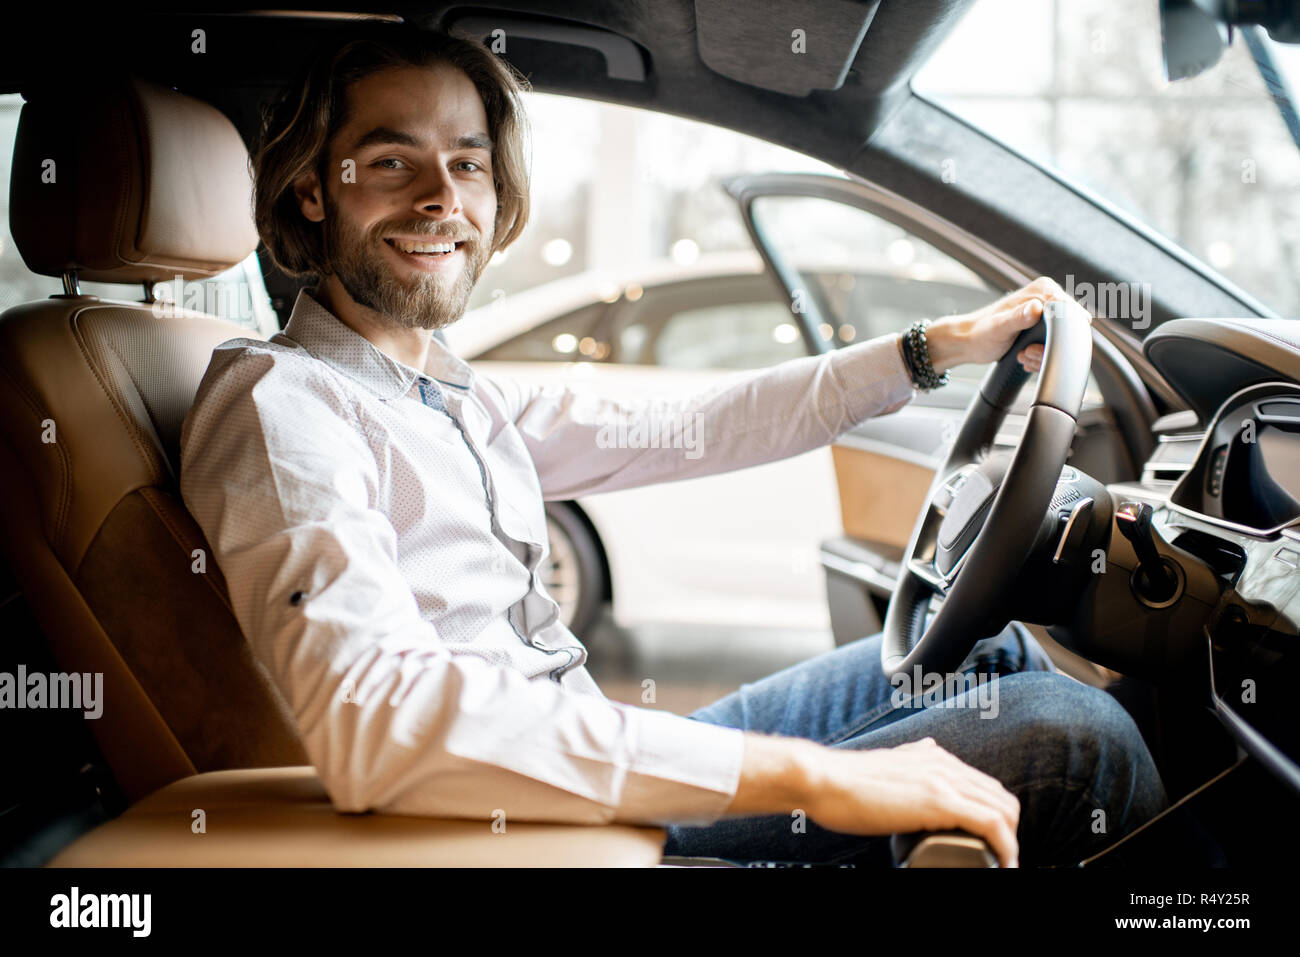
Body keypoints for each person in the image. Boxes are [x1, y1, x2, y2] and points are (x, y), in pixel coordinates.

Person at [179, 26, 1167, 869]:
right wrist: (811, 777)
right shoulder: (284, 403)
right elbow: (379, 724)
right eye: (392, 161)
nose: (445, 198)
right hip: (530, 819)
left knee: (986, 649)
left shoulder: (446, 391)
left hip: (583, 749)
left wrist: (933, 348)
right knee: (1071, 737)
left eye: (468, 162)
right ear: (313, 190)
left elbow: (696, 423)